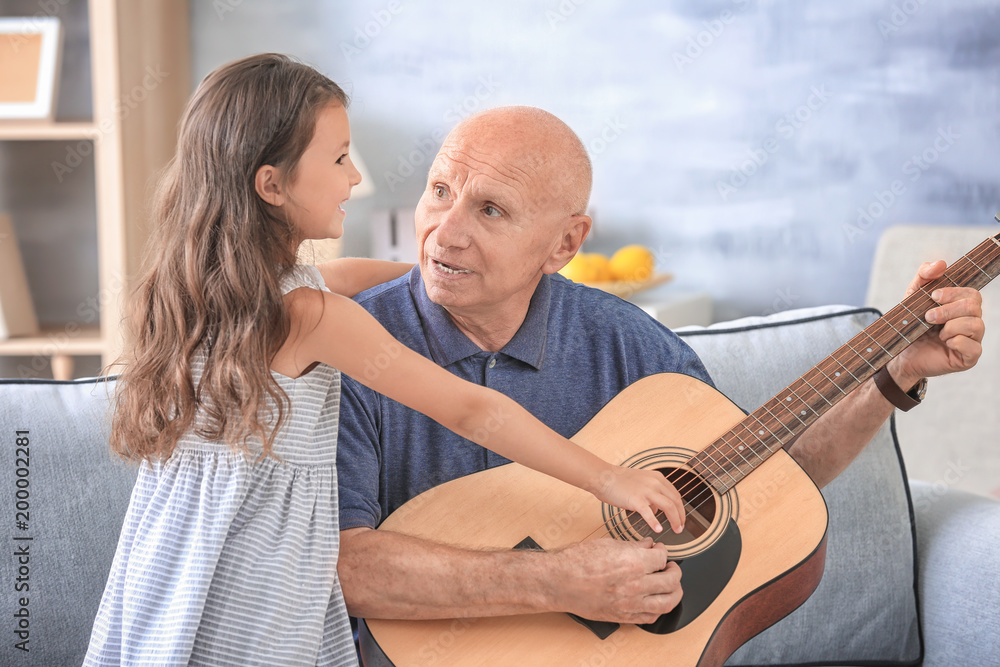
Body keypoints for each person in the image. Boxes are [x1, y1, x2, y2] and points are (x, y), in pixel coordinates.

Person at [82, 56, 691, 667]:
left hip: (167, 586)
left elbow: (358, 274)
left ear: (564, 243)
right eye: (341, 158)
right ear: (272, 186)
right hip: (256, 605)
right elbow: (472, 408)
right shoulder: (320, 320)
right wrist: (610, 480)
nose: (354, 178)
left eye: (490, 211)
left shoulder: (239, 296)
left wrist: (462, 272)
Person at [335, 106, 985, 645]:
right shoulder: (350, 353)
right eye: (440, 192)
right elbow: (342, 566)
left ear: (566, 244)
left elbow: (763, 484)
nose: (444, 233)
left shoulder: (627, 343)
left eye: (491, 210)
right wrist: (558, 579)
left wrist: (890, 378)